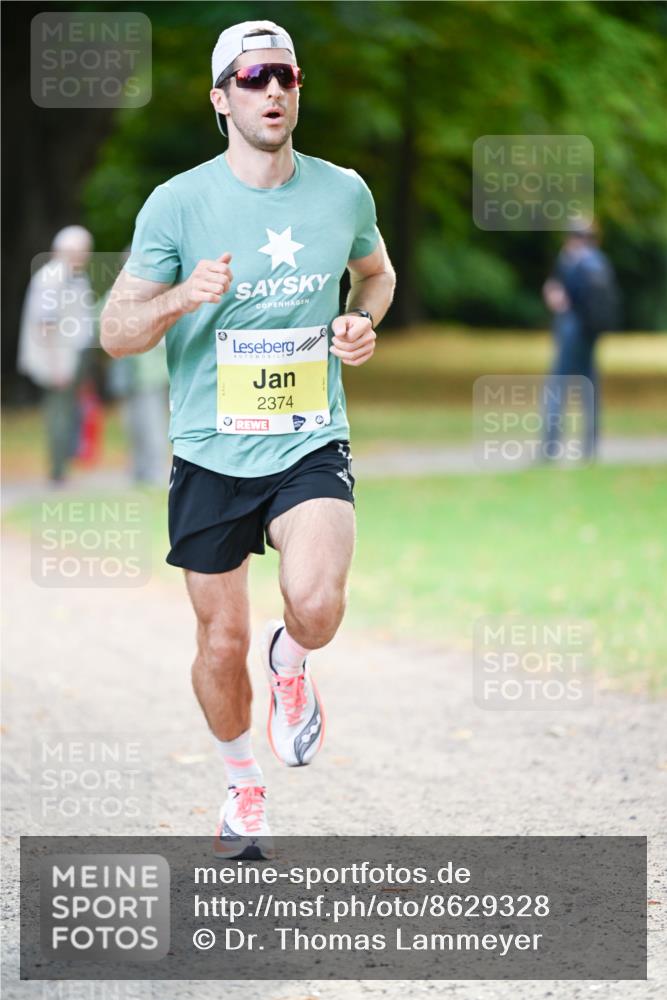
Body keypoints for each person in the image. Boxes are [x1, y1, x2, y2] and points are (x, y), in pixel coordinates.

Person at [100, 19, 396, 858]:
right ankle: (242, 788)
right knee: (217, 642)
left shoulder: (343, 192)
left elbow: (376, 275)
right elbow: (116, 330)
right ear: (219, 98)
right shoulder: (178, 203)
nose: (272, 91)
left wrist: (358, 319)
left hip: (308, 438)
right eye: (253, 77)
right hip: (207, 449)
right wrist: (182, 297)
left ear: (298, 90)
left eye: (285, 76)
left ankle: (291, 660)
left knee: (317, 603)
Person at [17, 225, 95, 483]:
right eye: (76, 251)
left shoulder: (75, 277)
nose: (82, 256)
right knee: (59, 414)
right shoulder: (51, 279)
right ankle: (58, 472)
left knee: (68, 413)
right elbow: (45, 325)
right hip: (59, 360)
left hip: (73, 357)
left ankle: (64, 467)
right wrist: (56, 366)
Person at [542, 221, 619, 461]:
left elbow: (562, 299)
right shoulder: (601, 262)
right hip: (592, 333)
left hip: (572, 330)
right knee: (589, 388)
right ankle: (590, 447)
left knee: (557, 387)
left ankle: (550, 447)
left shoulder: (574, 262)